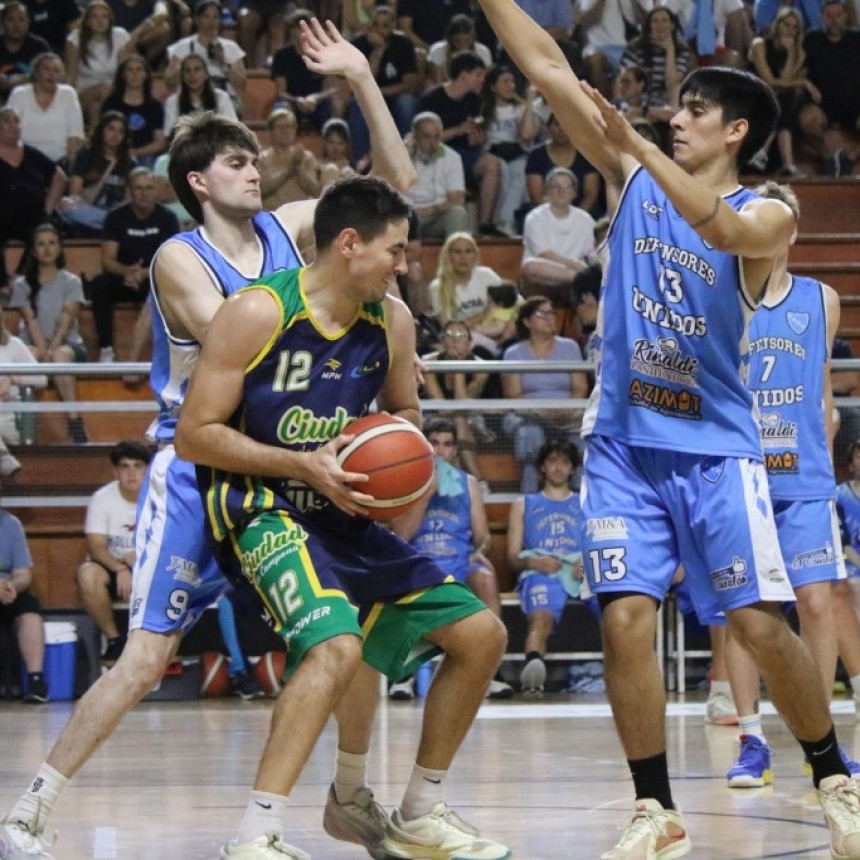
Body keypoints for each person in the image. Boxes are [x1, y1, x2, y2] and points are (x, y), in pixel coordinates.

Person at [0, 18, 418, 860]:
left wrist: (363, 79)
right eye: (234, 161)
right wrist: (326, 286)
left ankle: (351, 795)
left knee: (359, 627)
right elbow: (245, 333)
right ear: (197, 180)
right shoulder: (177, 259)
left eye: (255, 159)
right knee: (147, 658)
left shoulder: (286, 231)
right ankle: (29, 810)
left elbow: (389, 196)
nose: (254, 168)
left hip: (286, 469)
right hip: (204, 466)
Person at [477, 0, 860, 857]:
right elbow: (544, 64)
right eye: (674, 106)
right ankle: (656, 806)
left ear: (734, 131)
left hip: (719, 450)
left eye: (693, 108)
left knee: (761, 624)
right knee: (622, 620)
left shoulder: (770, 216)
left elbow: (716, 225)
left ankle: (835, 776)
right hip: (620, 442)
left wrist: (640, 148)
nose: (675, 116)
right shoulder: (635, 171)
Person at [174, 175, 510, 859]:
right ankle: (255, 835)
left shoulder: (393, 321)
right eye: (395, 251)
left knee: (480, 635)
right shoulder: (258, 313)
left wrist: (382, 457)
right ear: (349, 244)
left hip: (341, 514)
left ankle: (419, 811)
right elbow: (194, 433)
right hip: (257, 508)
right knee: (337, 647)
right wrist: (303, 464)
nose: (404, 265)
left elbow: (407, 416)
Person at [713, 181, 858, 786]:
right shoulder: (720, 297)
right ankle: (752, 739)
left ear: (790, 233)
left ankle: (814, 737)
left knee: (818, 603)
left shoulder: (820, 299)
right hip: (741, 474)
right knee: (748, 612)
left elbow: (821, 387)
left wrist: (823, 451)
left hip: (803, 477)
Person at [388, 417, 513, 700]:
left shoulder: (468, 483)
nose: (440, 451)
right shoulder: (405, 480)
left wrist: (479, 553)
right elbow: (402, 535)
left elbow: (482, 537)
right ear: (423, 446)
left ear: (456, 450)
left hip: (458, 560)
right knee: (404, 578)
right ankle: (403, 674)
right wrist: (427, 492)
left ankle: (492, 671)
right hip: (419, 561)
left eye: (447, 445)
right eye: (434, 443)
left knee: (485, 577)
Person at [506, 439, 590, 693]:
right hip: (542, 571)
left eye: (564, 462)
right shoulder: (524, 504)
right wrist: (532, 561)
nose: (558, 467)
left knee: (615, 607)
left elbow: (597, 543)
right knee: (541, 616)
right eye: (552, 461)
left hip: (580, 572)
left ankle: (627, 669)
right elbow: (511, 557)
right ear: (542, 467)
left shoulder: (585, 503)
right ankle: (533, 669)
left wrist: (587, 563)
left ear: (573, 469)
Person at [7, 223, 88, 444]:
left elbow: (67, 318)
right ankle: (25, 429)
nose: (47, 249)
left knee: (59, 356)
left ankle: (75, 423)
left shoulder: (72, 282)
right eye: (41, 244)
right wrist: (43, 351)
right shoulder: (22, 284)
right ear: (33, 251)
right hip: (33, 346)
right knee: (26, 357)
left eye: (52, 243)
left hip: (68, 346)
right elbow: (30, 319)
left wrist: (51, 351)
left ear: (60, 248)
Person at [89, 166, 180, 362]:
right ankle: (106, 349)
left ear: (155, 190)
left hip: (153, 279)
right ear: (129, 192)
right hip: (124, 279)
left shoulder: (167, 219)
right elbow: (107, 259)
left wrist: (144, 273)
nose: (144, 193)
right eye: (138, 188)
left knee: (174, 286)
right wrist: (127, 272)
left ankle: (169, 354)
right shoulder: (115, 218)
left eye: (148, 188)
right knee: (99, 284)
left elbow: (171, 261)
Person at [76, 439, 153, 666]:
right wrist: (120, 567)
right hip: (113, 567)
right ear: (115, 471)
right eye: (125, 466)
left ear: (147, 470)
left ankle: (159, 641)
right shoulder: (102, 498)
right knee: (87, 574)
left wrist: (139, 560)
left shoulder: (159, 498)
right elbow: (96, 545)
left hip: (149, 567)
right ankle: (114, 640)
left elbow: (170, 539)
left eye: (137, 466)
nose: (131, 473)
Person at [501, 296, 589, 493]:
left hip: (568, 414)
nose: (551, 318)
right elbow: (514, 395)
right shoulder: (513, 353)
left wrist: (567, 408)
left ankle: (580, 506)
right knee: (530, 435)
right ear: (526, 321)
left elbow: (580, 388)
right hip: (529, 414)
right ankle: (531, 501)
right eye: (543, 314)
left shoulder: (570, 347)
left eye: (552, 313)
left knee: (582, 438)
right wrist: (544, 411)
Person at [417, 51, 504, 238]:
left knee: (492, 163)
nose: (483, 80)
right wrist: (457, 130)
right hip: (436, 154)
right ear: (464, 76)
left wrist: (476, 139)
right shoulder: (431, 99)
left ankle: (485, 224)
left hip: (464, 154)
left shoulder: (475, 101)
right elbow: (422, 139)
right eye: (479, 75)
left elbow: (473, 139)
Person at [0, 105, 65, 292]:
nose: (13, 125)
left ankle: (21, 278)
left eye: (16, 121)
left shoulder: (31, 154)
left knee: (45, 230)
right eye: (7, 121)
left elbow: (59, 175)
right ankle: (2, 285)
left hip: (31, 214)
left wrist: (48, 207)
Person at [347, 5, 419, 164]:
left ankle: (403, 158)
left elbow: (409, 84)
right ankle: (362, 161)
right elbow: (362, 83)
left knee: (407, 102)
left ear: (393, 26)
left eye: (385, 25)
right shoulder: (358, 43)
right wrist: (378, 52)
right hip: (367, 97)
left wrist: (378, 92)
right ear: (369, 25)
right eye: (376, 25)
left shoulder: (404, 44)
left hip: (395, 96)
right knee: (357, 103)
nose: (380, 30)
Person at [421, 321, 492, 481]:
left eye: (461, 336)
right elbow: (442, 408)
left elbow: (462, 405)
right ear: (442, 342)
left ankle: (455, 480)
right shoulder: (428, 364)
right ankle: (476, 481)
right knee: (456, 421)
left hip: (472, 418)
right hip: (434, 415)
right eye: (450, 336)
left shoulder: (481, 368)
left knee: (459, 420)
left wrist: (458, 366)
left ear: (470, 342)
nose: (455, 341)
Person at [0, 485, 48, 703]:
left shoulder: (10, 524)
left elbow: (23, 574)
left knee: (28, 606)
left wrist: (12, 586)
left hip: (4, 589)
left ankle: (36, 680)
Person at [519, 167, 597, 302]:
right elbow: (543, 254)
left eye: (567, 187)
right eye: (556, 187)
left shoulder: (585, 219)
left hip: (574, 281)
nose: (561, 192)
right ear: (547, 192)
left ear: (574, 193)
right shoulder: (534, 217)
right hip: (544, 277)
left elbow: (593, 253)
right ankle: (583, 278)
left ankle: (583, 280)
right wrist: (579, 269)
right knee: (531, 266)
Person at [480, 64, 540, 236]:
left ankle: (505, 222)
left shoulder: (521, 109)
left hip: (516, 153)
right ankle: (495, 222)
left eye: (512, 82)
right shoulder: (484, 110)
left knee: (520, 171)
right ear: (492, 87)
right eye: (505, 82)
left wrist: (529, 101)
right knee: (501, 169)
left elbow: (527, 134)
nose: (510, 86)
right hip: (491, 155)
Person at [57, 109, 138, 235]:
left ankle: (109, 222)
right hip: (87, 209)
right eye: (111, 129)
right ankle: (109, 223)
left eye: (120, 131)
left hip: (115, 211)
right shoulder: (85, 156)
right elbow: (75, 193)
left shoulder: (130, 163)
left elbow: (129, 199)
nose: (115, 135)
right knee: (67, 206)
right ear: (102, 130)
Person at [164, 0, 247, 114]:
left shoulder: (231, 47)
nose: (211, 22)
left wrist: (223, 63)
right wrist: (184, 67)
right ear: (197, 20)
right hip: (190, 96)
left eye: (215, 17)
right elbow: (170, 82)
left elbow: (241, 84)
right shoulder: (182, 47)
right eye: (206, 16)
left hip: (223, 97)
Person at [6, 51, 85, 165]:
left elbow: (75, 132)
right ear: (37, 72)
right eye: (46, 69)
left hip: (59, 162)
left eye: (56, 70)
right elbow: (8, 128)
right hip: (23, 160)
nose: (51, 74)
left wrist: (71, 158)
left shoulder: (68, 94)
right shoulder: (20, 94)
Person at [64, 0, 134, 129]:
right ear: (87, 21)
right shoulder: (76, 38)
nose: (100, 21)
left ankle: (94, 138)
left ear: (110, 19)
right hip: (84, 90)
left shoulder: (121, 36)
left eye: (104, 16)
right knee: (103, 89)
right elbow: (70, 76)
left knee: (96, 106)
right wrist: (66, 103)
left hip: (114, 91)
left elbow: (125, 73)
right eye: (94, 16)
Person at [405, 111, 471, 240]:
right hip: (407, 218)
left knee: (458, 213)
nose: (433, 143)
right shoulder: (402, 157)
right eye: (427, 137)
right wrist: (404, 157)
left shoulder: (452, 158)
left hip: (437, 216)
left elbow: (457, 199)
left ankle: (455, 258)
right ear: (415, 137)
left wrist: (431, 210)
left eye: (436, 137)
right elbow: (389, 193)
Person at [0, 306, 48, 477]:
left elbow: (41, 379)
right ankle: (3, 457)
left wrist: (11, 379)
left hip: (7, 416)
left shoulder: (13, 345)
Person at [524, 112, 601, 215]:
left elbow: (591, 194)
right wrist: (558, 216)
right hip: (545, 214)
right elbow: (537, 196)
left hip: (582, 214)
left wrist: (575, 217)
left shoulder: (587, 154)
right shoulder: (536, 155)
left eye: (566, 124)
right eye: (556, 124)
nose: (561, 129)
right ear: (548, 127)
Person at [101, 53, 167, 167]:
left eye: (139, 70)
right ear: (123, 75)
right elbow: (102, 134)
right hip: (114, 154)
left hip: (144, 156)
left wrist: (135, 153)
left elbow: (159, 142)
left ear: (145, 75)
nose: (134, 74)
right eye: (130, 70)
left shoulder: (154, 106)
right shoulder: (111, 103)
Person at [257, 107, 321, 210]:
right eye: (280, 127)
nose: (285, 131)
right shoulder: (262, 159)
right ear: (271, 131)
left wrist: (299, 167)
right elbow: (262, 190)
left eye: (289, 126)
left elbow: (315, 191)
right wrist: (289, 169)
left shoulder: (306, 157)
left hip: (300, 216)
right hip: (272, 215)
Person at [162, 53, 237, 135]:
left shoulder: (221, 97)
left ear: (206, 74)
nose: (192, 75)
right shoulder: (173, 101)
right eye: (187, 71)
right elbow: (169, 134)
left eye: (197, 69)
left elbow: (232, 129)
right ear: (182, 76)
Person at [0, 1, 51, 104]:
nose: (16, 25)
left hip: (32, 99)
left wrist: (26, 80)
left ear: (28, 23)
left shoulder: (39, 46)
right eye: (11, 20)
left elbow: (52, 74)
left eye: (21, 20)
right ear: (3, 22)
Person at [426, 13, 493, 85]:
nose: (463, 45)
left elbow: (486, 82)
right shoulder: (438, 50)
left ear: (473, 37)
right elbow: (438, 83)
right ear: (450, 39)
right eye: (457, 41)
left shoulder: (483, 51)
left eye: (467, 40)